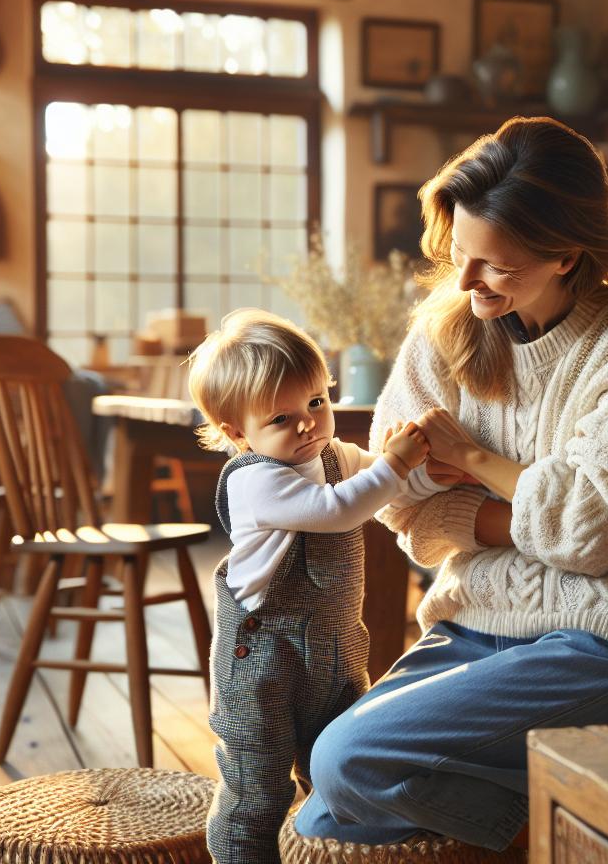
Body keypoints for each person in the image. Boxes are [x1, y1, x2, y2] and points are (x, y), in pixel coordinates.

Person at [282, 117, 608, 862]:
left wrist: (471, 458)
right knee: (326, 813)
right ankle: (566, 807)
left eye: (496, 267)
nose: (467, 282)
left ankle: (557, 818)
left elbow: (590, 533)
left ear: (567, 254)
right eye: (460, 255)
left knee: (346, 764)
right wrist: (506, 503)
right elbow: (399, 502)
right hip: (476, 622)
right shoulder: (444, 328)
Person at [186, 309, 434, 864]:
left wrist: (432, 471)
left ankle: (318, 854)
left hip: (335, 653)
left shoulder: (333, 455)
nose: (308, 425)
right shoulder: (255, 481)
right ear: (236, 432)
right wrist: (394, 467)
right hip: (261, 667)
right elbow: (338, 509)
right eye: (282, 418)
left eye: (317, 402)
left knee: (338, 771)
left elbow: (388, 483)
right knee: (257, 791)